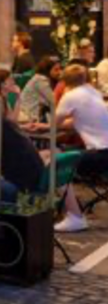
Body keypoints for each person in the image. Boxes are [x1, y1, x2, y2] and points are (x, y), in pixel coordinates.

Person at [50, 64, 108, 232]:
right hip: (104, 151)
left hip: (100, 153)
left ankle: (75, 216)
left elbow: (54, 124)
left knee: (57, 164)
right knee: (61, 155)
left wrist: (43, 125)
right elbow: (79, 119)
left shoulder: (70, 96)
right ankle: (68, 210)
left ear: (64, 81)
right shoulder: (93, 92)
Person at [18, 56, 61, 124]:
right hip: (29, 118)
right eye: (56, 70)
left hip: (33, 116)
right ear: (47, 70)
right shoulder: (40, 80)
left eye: (60, 69)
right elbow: (53, 101)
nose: (59, 72)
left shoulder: (40, 78)